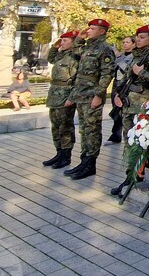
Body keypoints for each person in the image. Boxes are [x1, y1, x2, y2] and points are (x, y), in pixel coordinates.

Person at [109, 25, 149, 195]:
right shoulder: (135, 56)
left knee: (139, 142)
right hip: (127, 103)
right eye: (138, 37)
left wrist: (142, 73)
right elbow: (124, 78)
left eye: (142, 37)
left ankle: (137, 175)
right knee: (129, 142)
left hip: (141, 106)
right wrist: (118, 95)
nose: (138, 40)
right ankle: (130, 176)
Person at [64, 19, 116, 181]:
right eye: (89, 28)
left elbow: (107, 74)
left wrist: (99, 95)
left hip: (92, 95)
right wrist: (79, 38)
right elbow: (73, 53)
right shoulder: (88, 47)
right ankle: (83, 161)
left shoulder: (105, 49)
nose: (89, 31)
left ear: (102, 31)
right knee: (84, 129)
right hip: (81, 94)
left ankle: (90, 164)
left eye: (93, 28)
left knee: (92, 130)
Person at [42, 30, 82, 169]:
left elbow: (78, 80)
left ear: (73, 41)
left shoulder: (76, 56)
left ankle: (66, 156)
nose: (62, 43)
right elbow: (51, 58)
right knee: (55, 126)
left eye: (65, 40)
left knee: (65, 127)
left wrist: (71, 97)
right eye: (62, 40)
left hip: (66, 94)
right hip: (54, 94)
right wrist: (55, 46)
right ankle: (58, 153)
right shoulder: (62, 54)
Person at [107, 37, 135, 144]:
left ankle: (128, 136)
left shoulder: (134, 57)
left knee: (125, 112)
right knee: (116, 111)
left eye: (127, 42)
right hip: (117, 84)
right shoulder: (122, 55)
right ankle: (116, 135)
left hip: (126, 86)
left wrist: (118, 57)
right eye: (123, 42)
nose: (124, 44)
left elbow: (125, 69)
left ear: (133, 44)